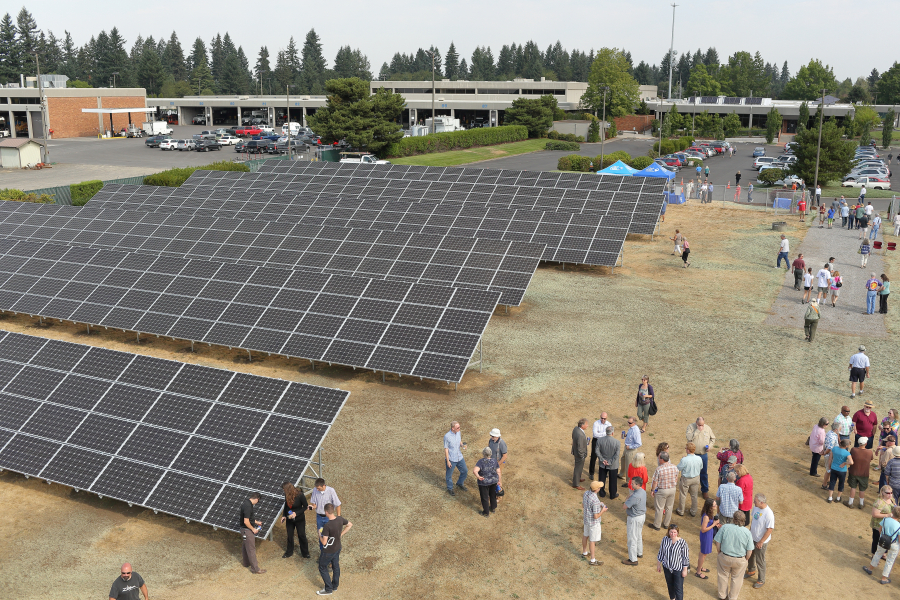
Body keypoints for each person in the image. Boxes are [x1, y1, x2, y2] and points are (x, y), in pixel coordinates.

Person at [713, 511, 754, 600]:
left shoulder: (725, 527)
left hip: (724, 556)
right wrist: (746, 559)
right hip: (740, 559)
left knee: (723, 576)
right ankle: (732, 598)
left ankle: (722, 596)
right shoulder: (747, 532)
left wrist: (719, 552)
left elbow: (718, 541)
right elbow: (749, 550)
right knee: (737, 579)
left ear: (733, 518)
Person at [317, 503, 352, 596]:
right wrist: (341, 534)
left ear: (326, 512)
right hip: (337, 548)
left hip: (328, 551)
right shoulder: (340, 519)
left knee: (322, 567)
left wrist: (319, 535)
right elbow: (350, 525)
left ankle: (328, 589)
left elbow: (324, 542)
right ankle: (335, 586)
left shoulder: (327, 526)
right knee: (336, 566)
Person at [863, 505, 900, 585]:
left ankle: (870, 569)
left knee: (877, 554)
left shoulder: (885, 519)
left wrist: (882, 537)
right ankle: (884, 578)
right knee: (890, 561)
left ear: (892, 512)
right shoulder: (899, 526)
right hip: (894, 544)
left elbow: (880, 530)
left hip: (883, 540)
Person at [746, 494, 774, 589]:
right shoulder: (756, 507)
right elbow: (753, 521)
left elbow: (769, 530)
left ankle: (761, 580)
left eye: (755, 501)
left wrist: (761, 542)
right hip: (753, 537)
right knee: (750, 554)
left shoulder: (769, 514)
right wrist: (750, 533)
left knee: (760, 560)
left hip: (761, 541)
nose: (754, 502)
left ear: (761, 502)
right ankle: (751, 570)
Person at [657, 524, 690, 600]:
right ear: (668, 532)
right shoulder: (665, 539)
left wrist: (685, 570)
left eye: (675, 532)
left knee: (678, 588)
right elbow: (661, 552)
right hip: (667, 567)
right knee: (670, 584)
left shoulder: (682, 543)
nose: (673, 534)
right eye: (671, 532)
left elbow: (685, 557)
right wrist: (658, 565)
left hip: (678, 569)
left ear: (677, 532)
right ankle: (672, 598)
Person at [686, 417, 716, 498]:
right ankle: (690, 487)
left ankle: (705, 490)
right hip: (693, 454)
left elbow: (713, 439)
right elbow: (689, 438)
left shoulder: (707, 428)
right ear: (696, 423)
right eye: (699, 425)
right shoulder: (691, 427)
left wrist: (709, 446)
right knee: (691, 471)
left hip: (703, 455)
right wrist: (697, 431)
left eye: (702, 425)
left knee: (703, 473)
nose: (701, 427)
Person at [280, 481, 310, 559]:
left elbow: (305, 507)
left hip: (299, 519)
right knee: (290, 536)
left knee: (301, 535)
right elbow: (286, 506)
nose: (283, 491)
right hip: (290, 519)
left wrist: (296, 513)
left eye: (284, 489)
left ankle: (305, 553)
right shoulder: (286, 495)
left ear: (288, 489)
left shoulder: (300, 495)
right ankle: (289, 552)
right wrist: (284, 516)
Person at [650, 451, 679, 530]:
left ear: (662, 459)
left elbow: (655, 482)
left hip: (662, 490)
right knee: (669, 507)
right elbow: (676, 478)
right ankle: (666, 524)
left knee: (660, 508)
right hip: (672, 489)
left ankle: (657, 525)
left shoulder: (659, 469)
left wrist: (652, 490)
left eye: (659, 457)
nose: (658, 459)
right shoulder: (674, 467)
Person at [310, 479, 342, 549]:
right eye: (316, 488)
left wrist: (339, 517)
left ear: (323, 485)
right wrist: (313, 506)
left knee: (331, 535)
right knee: (321, 535)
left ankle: (330, 550)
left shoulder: (331, 491)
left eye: (319, 488)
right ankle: (323, 552)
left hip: (328, 518)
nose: (317, 490)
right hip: (319, 517)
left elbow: (338, 504)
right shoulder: (315, 490)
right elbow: (314, 503)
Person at [622, 477, 647, 565]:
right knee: (638, 535)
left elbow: (624, 506)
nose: (631, 485)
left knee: (632, 538)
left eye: (633, 483)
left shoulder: (635, 496)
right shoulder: (643, 491)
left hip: (634, 518)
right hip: (641, 516)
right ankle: (639, 552)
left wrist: (626, 499)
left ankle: (633, 559)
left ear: (637, 484)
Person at [582, 481, 608, 566]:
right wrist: (603, 510)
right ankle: (593, 560)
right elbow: (596, 516)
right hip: (593, 523)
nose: (600, 488)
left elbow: (584, 505)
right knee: (592, 541)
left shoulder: (586, 493)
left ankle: (585, 552)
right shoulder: (595, 501)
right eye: (599, 487)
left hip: (586, 520)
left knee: (585, 535)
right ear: (596, 489)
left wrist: (598, 504)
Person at [240, 492, 266, 574]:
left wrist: (257, 522)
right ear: (256, 499)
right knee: (251, 549)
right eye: (258, 501)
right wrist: (253, 529)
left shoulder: (246, 503)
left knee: (245, 546)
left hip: (244, 530)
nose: (257, 503)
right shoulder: (248, 506)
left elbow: (249, 518)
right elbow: (246, 521)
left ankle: (246, 563)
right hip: (247, 530)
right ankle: (255, 569)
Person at [676, 442, 703, 517]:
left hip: (686, 479)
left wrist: (682, 459)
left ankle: (681, 510)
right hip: (696, 478)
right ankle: (693, 511)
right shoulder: (699, 458)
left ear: (688, 450)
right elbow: (701, 467)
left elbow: (678, 468)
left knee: (683, 495)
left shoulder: (684, 460)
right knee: (694, 495)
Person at [848, 436, 874, 508]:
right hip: (864, 473)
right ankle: (861, 504)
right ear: (866, 443)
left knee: (853, 487)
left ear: (858, 442)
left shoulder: (853, 450)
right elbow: (871, 459)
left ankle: (850, 503)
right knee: (862, 489)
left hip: (853, 472)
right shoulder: (869, 452)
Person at [473, 447, 500, 516]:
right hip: (494, 481)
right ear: (491, 453)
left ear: (483, 454)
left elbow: (475, 471)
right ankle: (493, 508)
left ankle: (486, 512)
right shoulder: (494, 461)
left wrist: (478, 477)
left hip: (483, 482)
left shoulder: (481, 461)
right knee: (493, 495)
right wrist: (499, 480)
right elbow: (498, 471)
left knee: (484, 497)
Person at [444, 421, 468, 496]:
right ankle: (450, 488)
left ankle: (460, 483)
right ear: (453, 428)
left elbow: (459, 441)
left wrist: (462, 445)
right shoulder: (447, 436)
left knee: (465, 471)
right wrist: (448, 461)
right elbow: (446, 449)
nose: (459, 428)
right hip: (451, 459)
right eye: (458, 427)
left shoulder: (458, 432)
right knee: (449, 475)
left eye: (459, 427)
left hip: (459, 457)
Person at [871, 486, 897, 556]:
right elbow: (874, 514)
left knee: (887, 540)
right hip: (878, 525)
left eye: (891, 492)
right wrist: (888, 515)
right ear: (882, 492)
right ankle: (874, 555)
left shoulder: (891, 499)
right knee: (876, 540)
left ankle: (884, 554)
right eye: (888, 493)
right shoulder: (879, 502)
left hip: (888, 525)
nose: (890, 494)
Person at [697, 498, 719, 579]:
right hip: (706, 536)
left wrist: (715, 524)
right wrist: (714, 524)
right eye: (714, 505)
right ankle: (698, 572)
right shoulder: (706, 516)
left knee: (702, 553)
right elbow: (703, 529)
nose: (716, 506)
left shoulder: (709, 513)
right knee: (703, 554)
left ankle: (700, 566)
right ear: (710, 507)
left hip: (708, 535)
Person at [596, 425, 620, 499]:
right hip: (613, 465)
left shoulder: (599, 440)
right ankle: (612, 494)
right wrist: (609, 462)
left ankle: (601, 492)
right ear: (612, 433)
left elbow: (597, 451)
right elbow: (616, 454)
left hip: (602, 464)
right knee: (613, 480)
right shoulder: (617, 442)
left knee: (602, 478)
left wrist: (603, 460)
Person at [827, 439, 853, 503]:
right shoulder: (847, 453)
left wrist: (829, 466)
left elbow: (830, 458)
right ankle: (838, 498)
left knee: (832, 482)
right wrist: (845, 463)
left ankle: (830, 497)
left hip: (834, 468)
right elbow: (851, 462)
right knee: (841, 483)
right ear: (846, 446)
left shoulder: (834, 448)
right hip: (842, 470)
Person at [487, 428, 508, 494]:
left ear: (497, 436)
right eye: (491, 435)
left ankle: (499, 494)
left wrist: (498, 464)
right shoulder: (491, 440)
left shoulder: (502, 443)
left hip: (499, 463)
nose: (491, 437)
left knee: (498, 479)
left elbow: (505, 456)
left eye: (493, 436)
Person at [589, 413, 610, 479]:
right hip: (596, 441)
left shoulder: (609, 424)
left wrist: (600, 433)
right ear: (600, 417)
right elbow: (595, 434)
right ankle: (591, 473)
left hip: (604, 441)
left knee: (604, 456)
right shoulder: (596, 423)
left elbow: (608, 434)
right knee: (593, 456)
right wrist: (604, 433)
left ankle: (603, 471)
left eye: (604, 418)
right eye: (602, 418)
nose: (603, 420)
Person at [572, 418, 589, 490]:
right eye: (586, 424)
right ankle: (576, 484)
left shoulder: (576, 429)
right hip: (579, 454)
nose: (587, 426)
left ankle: (578, 478)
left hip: (575, 451)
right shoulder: (580, 435)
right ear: (582, 425)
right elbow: (580, 447)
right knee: (578, 468)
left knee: (579, 467)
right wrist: (582, 456)